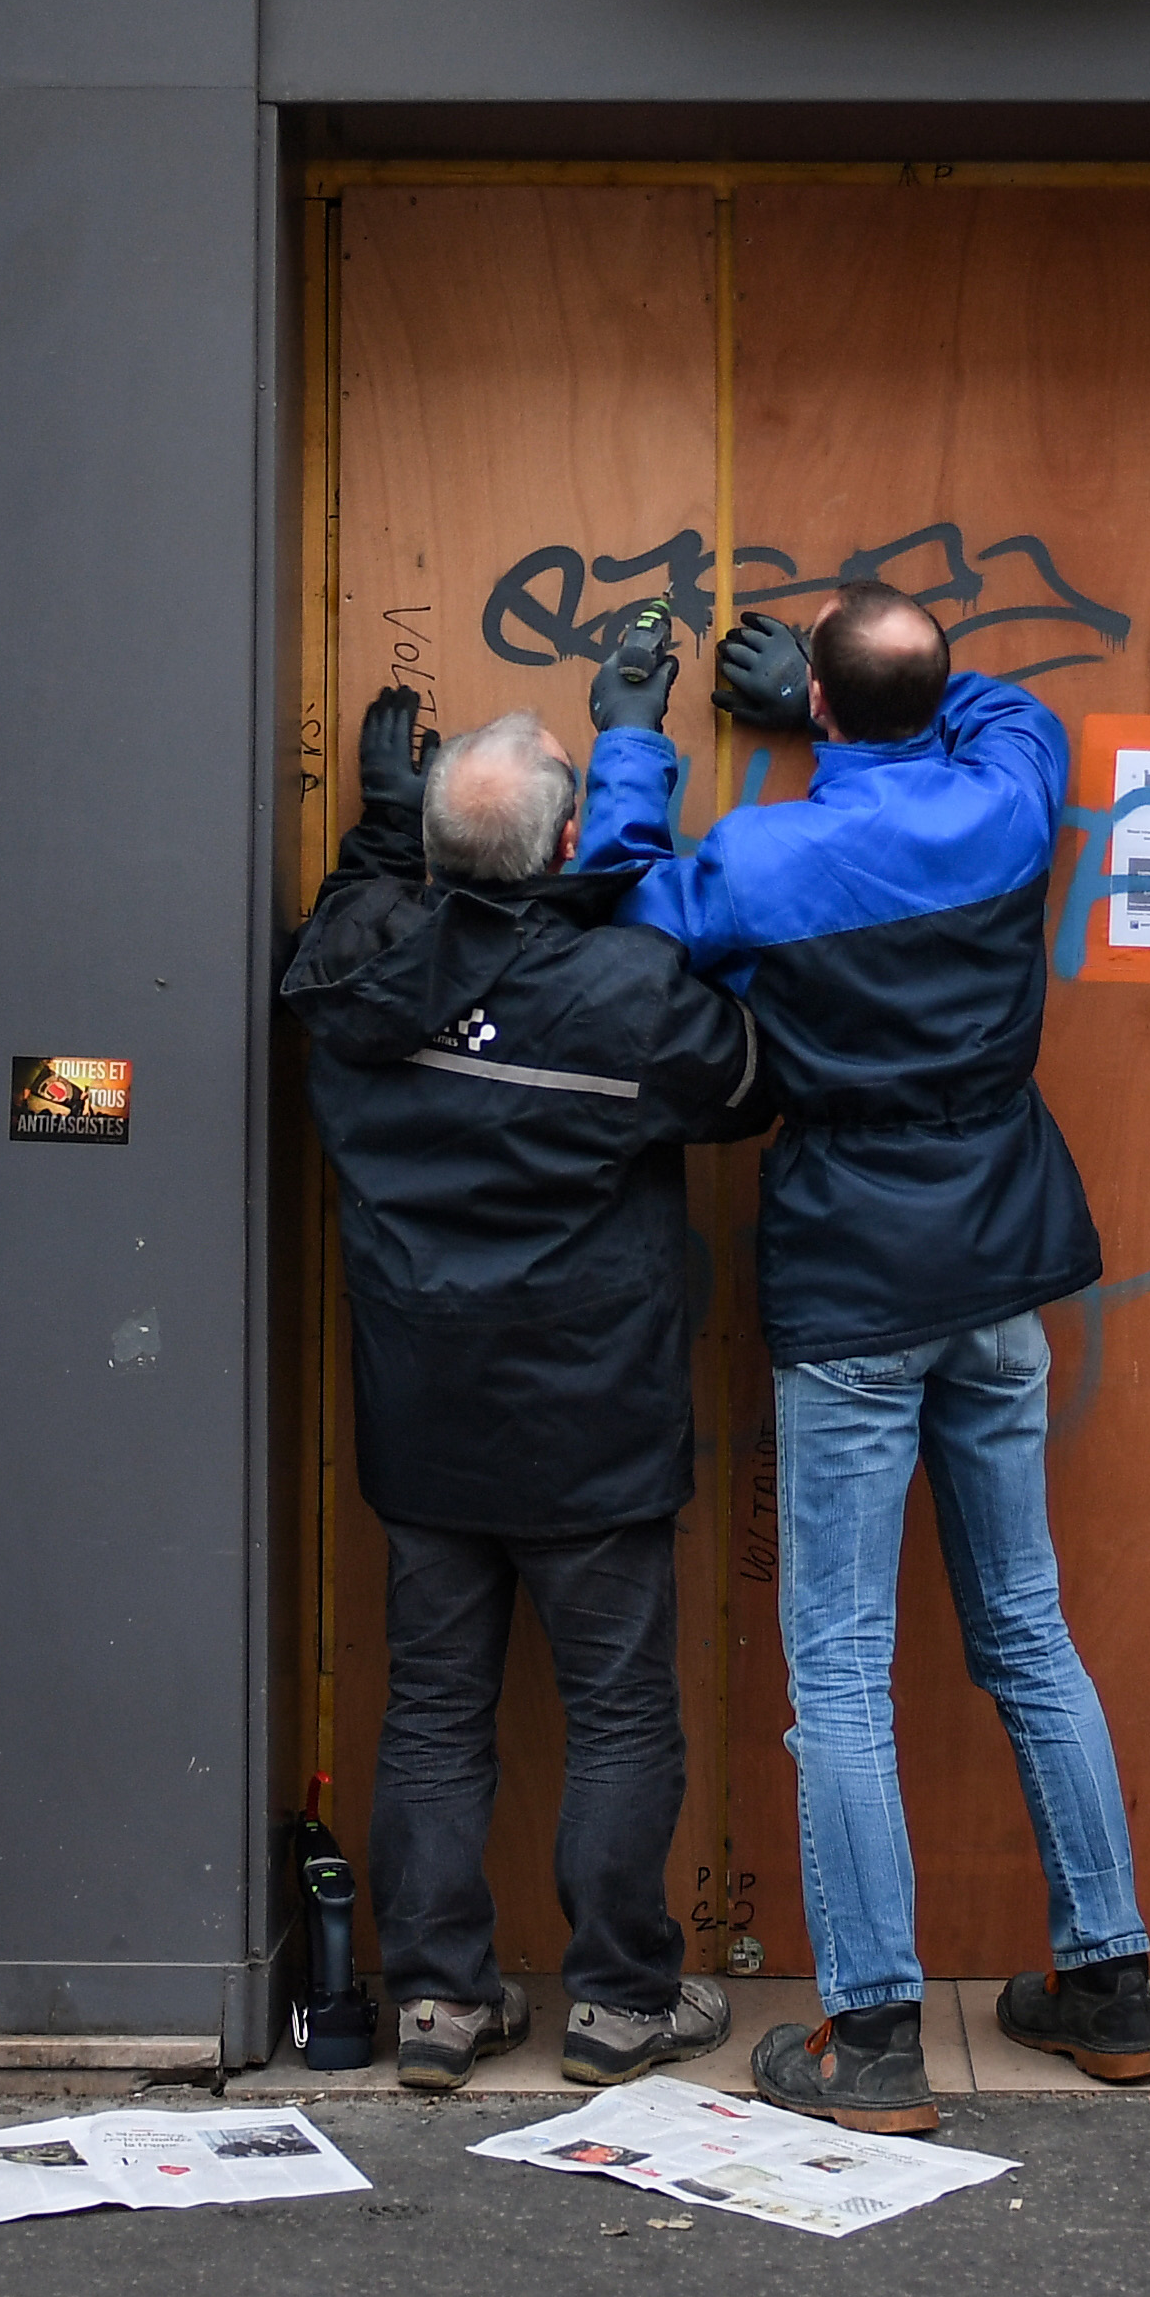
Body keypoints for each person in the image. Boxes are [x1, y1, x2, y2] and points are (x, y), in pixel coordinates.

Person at [577, 583, 1150, 2133]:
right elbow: (1016, 716)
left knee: (838, 1668)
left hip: (854, 1279)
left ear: (817, 710)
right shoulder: (997, 803)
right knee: (1026, 1633)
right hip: (999, 1269)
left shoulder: (767, 856)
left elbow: (628, 918)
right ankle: (1106, 1990)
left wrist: (631, 746)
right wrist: (853, 707)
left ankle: (877, 2038)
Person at [276, 626, 768, 2094]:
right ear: (568, 838)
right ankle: (618, 2005)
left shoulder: (355, 969)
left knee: (433, 1706)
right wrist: (633, 807)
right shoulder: (621, 991)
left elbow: (352, 932)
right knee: (618, 1710)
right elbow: (746, 1082)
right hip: (590, 1419)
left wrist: (377, 827)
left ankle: (436, 2005)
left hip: (426, 1413)